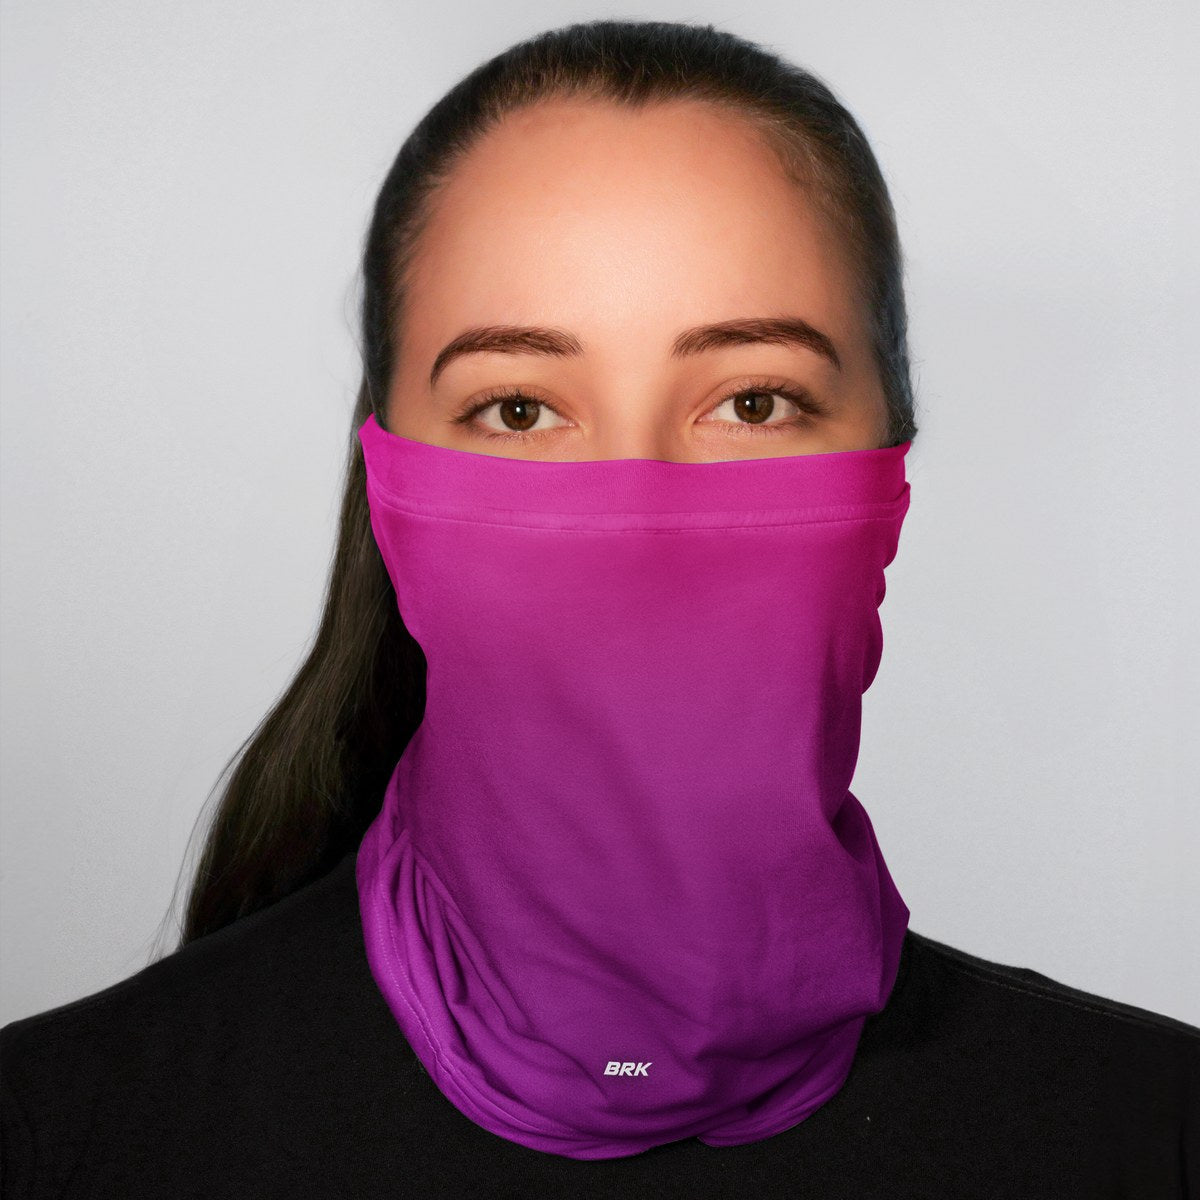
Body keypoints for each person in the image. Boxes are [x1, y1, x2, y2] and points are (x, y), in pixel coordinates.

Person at [1, 18, 1196, 1199]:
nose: (639, 517)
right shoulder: (57, 1138)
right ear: (389, 481)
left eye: (753, 402)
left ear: (892, 458)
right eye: (520, 410)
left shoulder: (1154, 1136)